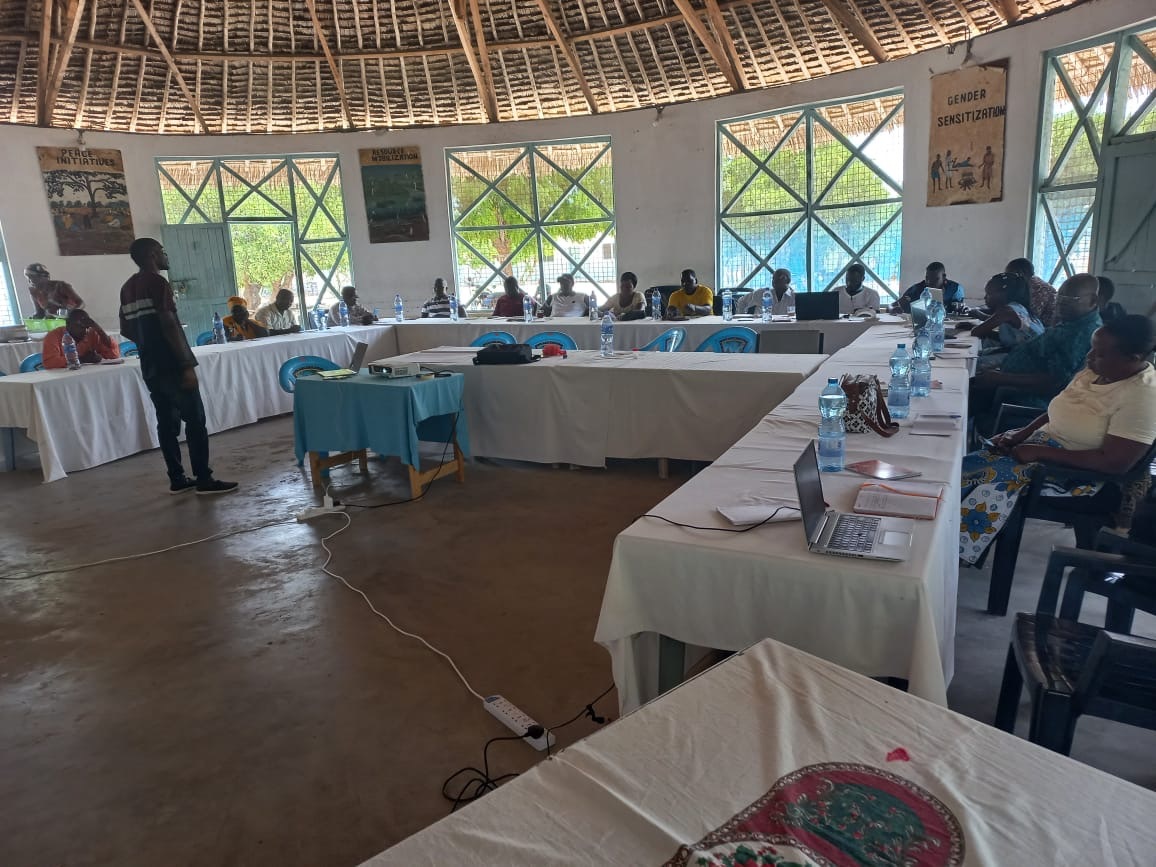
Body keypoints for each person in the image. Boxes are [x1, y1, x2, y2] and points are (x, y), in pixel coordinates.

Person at [960, 315, 1156, 564]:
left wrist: (1039, 453)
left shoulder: (1142, 397)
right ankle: (942, 540)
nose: (1089, 358)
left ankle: (956, 553)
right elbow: (1055, 411)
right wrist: (1019, 435)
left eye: (1100, 354)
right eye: (1091, 349)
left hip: (1079, 478)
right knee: (962, 470)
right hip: (1042, 450)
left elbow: (1115, 463)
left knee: (991, 479)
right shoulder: (1094, 373)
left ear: (1134, 359)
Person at [119, 238, 237, 495]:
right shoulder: (158, 283)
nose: (165, 256)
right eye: (162, 251)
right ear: (152, 254)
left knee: (166, 422)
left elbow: (126, 329)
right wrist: (186, 365)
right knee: (195, 421)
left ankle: (177, 478)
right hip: (172, 363)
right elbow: (169, 323)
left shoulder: (127, 287)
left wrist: (148, 344)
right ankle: (204, 479)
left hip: (149, 365)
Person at [969, 273, 1103, 427]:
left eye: (1069, 300)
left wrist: (1001, 378)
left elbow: (1055, 382)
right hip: (1011, 387)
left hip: (1028, 404)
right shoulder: (1074, 323)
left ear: (1093, 301)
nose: (1060, 304)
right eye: (1059, 297)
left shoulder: (1083, 334)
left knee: (964, 395)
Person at [965, 272, 1045, 371]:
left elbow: (976, 332)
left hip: (1029, 361)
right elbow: (1008, 338)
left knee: (970, 362)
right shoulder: (1020, 307)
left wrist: (974, 327)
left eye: (989, 294)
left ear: (1002, 294)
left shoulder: (1006, 311)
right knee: (976, 353)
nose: (985, 298)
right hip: (1026, 354)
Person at [42, 309, 120, 368]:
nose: (85, 330)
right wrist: (81, 359)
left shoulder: (91, 333)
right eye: (80, 326)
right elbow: (50, 363)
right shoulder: (53, 336)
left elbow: (114, 354)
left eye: (87, 326)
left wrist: (98, 329)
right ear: (68, 324)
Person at [1006, 258, 1057, 326]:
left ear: (1019, 273)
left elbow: (1028, 316)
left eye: (1008, 274)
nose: (1007, 279)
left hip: (1047, 330)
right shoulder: (1027, 284)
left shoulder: (1037, 288)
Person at [895, 262, 965, 312]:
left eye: (935, 279)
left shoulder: (955, 289)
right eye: (927, 278)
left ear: (944, 277)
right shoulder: (918, 288)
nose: (929, 282)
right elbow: (893, 306)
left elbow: (960, 309)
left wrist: (961, 309)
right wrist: (893, 309)